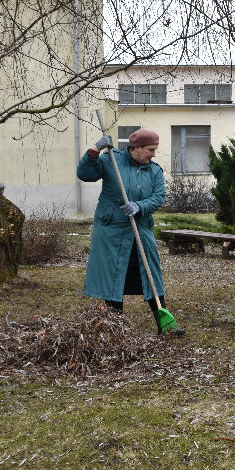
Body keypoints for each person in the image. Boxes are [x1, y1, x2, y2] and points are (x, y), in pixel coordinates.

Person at [77, 128, 185, 336]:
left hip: (140, 230)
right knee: (113, 277)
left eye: (155, 149)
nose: (154, 154)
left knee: (151, 276)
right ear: (136, 148)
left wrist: (140, 207)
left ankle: (165, 326)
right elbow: (85, 174)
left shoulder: (154, 171)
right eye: (150, 150)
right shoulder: (111, 161)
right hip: (112, 232)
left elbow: (159, 196)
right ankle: (117, 330)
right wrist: (94, 150)